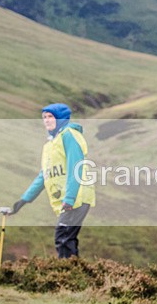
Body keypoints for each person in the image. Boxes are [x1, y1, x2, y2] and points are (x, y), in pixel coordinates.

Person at [9, 103, 95, 258]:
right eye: (44, 117)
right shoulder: (50, 144)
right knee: (67, 238)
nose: (47, 120)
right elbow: (44, 176)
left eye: (51, 117)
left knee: (62, 238)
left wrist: (69, 198)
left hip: (77, 196)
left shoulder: (69, 135)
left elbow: (76, 167)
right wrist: (23, 200)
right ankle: (73, 275)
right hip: (67, 199)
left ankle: (66, 276)